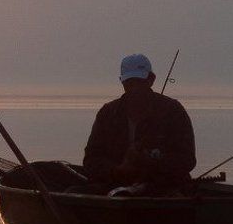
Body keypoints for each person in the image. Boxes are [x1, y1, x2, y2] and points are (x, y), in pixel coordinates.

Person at [78, 53, 196, 196]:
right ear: (122, 82)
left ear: (151, 79)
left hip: (163, 188)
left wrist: (150, 163)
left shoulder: (173, 111)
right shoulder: (108, 113)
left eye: (140, 82)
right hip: (114, 186)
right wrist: (118, 171)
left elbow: (187, 160)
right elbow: (91, 159)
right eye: (130, 83)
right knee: (74, 191)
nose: (135, 88)